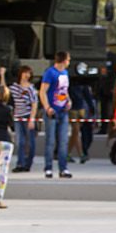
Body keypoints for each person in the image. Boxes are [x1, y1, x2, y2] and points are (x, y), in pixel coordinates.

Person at [39, 50, 73, 179]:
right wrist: (47, 107)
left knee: (63, 140)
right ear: (64, 60)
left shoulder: (65, 73)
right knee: (50, 140)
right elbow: (43, 91)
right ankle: (48, 168)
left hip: (63, 109)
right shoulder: (50, 73)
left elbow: (64, 90)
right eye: (68, 59)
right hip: (52, 109)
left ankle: (63, 168)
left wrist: (68, 100)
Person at [5, 66, 38, 173]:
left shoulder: (31, 88)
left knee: (31, 142)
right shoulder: (15, 87)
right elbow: (3, 89)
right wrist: (2, 75)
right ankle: (20, 163)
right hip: (18, 117)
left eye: (29, 73)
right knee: (20, 142)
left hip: (28, 116)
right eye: (25, 73)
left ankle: (28, 164)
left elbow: (34, 104)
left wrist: (32, 119)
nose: (27, 75)